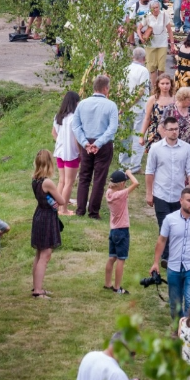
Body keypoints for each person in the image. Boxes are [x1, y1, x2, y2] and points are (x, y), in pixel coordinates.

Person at [150, 188, 190, 324]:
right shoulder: (170, 219)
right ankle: (177, 328)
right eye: (189, 200)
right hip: (173, 267)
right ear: (181, 201)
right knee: (175, 303)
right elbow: (162, 240)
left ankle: (187, 330)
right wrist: (156, 262)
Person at [73, 75, 120, 219]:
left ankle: (80, 209)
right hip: (103, 144)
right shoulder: (111, 105)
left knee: (84, 176)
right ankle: (93, 211)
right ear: (106, 88)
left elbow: (76, 126)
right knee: (99, 177)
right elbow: (112, 128)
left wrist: (85, 143)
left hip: (87, 142)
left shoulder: (82, 104)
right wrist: (98, 143)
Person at [145, 115, 190, 245]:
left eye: (176, 129)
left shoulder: (186, 148)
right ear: (165, 130)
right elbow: (150, 171)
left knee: (178, 227)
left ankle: (174, 254)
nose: (174, 132)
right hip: (161, 194)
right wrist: (148, 193)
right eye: (171, 129)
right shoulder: (156, 148)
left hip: (178, 194)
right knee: (164, 227)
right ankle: (166, 257)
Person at [30, 150, 66, 299]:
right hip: (46, 218)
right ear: (49, 164)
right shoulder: (47, 182)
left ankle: (36, 287)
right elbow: (62, 200)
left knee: (39, 253)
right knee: (45, 254)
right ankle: (38, 290)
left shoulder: (35, 179)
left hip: (39, 215)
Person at [105, 169, 139, 294]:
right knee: (121, 259)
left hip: (113, 230)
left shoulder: (109, 193)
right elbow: (136, 183)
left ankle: (107, 283)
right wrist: (129, 173)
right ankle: (117, 287)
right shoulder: (120, 194)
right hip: (122, 230)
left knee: (112, 258)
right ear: (122, 184)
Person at [53, 90, 82, 215]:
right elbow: (76, 138)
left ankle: (57, 206)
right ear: (75, 103)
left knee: (62, 180)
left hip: (59, 152)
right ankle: (63, 209)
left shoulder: (58, 116)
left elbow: (54, 133)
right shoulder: (74, 118)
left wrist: (61, 141)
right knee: (69, 182)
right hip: (71, 153)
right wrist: (81, 152)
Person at [140, 0, 175, 85]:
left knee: (161, 67)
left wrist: (172, 44)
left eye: (157, 7)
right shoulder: (147, 16)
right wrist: (141, 38)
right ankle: (155, 88)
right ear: (150, 9)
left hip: (162, 43)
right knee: (152, 68)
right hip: (150, 44)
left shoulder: (164, 15)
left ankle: (161, 86)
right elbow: (139, 28)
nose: (155, 10)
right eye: (153, 8)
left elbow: (169, 30)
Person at [140, 74, 175, 151]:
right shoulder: (153, 99)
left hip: (170, 131)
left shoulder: (175, 99)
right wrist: (141, 136)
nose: (165, 86)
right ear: (158, 85)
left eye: (167, 83)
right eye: (162, 83)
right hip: (154, 131)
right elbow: (147, 118)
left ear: (171, 84)